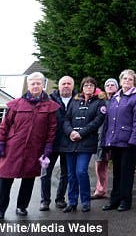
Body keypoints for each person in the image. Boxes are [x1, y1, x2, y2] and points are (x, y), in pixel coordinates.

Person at [0, 72, 60, 220]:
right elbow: (4, 126)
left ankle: (22, 206)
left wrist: (48, 147)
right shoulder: (16, 104)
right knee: (5, 177)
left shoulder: (50, 107)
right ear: (28, 85)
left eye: (38, 83)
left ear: (43, 85)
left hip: (35, 148)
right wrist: (0, 142)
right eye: (32, 83)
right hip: (13, 148)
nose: (35, 86)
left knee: (28, 179)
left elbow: (52, 129)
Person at [100, 69, 136, 211]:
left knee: (126, 173)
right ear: (120, 81)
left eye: (130, 79)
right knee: (117, 172)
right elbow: (108, 121)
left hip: (128, 142)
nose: (127, 81)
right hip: (114, 141)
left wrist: (133, 141)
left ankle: (126, 201)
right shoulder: (114, 98)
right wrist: (106, 141)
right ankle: (115, 199)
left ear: (134, 82)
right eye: (124, 78)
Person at [60, 76, 107, 212]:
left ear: (94, 88)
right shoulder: (74, 102)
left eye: (91, 86)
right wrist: (70, 132)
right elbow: (66, 120)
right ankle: (72, 202)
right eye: (86, 85)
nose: (88, 88)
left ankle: (85, 201)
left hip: (86, 142)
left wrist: (82, 133)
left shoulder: (99, 102)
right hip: (70, 142)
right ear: (82, 87)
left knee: (81, 171)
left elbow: (97, 121)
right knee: (71, 174)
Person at [39, 75, 75, 211]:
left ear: (73, 86)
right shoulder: (48, 99)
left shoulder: (78, 100)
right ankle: (45, 201)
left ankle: (60, 199)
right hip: (50, 143)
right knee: (45, 173)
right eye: (63, 83)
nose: (66, 86)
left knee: (65, 174)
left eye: (68, 84)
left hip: (69, 143)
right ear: (59, 86)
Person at [92, 78, 118, 199]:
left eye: (113, 84)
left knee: (118, 165)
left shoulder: (120, 99)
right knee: (100, 163)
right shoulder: (100, 101)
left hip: (116, 137)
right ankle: (100, 190)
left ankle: (117, 191)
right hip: (100, 136)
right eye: (107, 84)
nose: (110, 86)